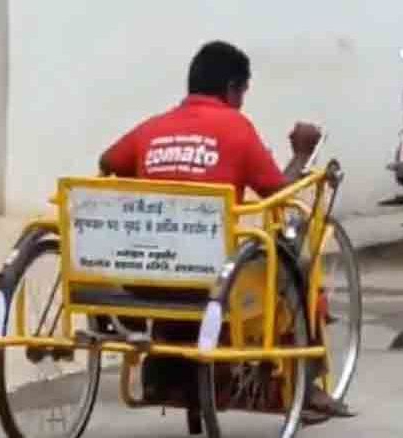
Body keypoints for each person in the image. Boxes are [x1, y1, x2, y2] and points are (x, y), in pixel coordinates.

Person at [98, 40, 353, 423]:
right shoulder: (236, 128)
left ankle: (169, 372)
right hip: (210, 278)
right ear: (233, 88)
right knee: (295, 260)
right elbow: (277, 193)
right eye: (243, 93)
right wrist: (301, 154)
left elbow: (108, 162)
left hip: (143, 275)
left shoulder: (153, 127)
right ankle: (307, 382)